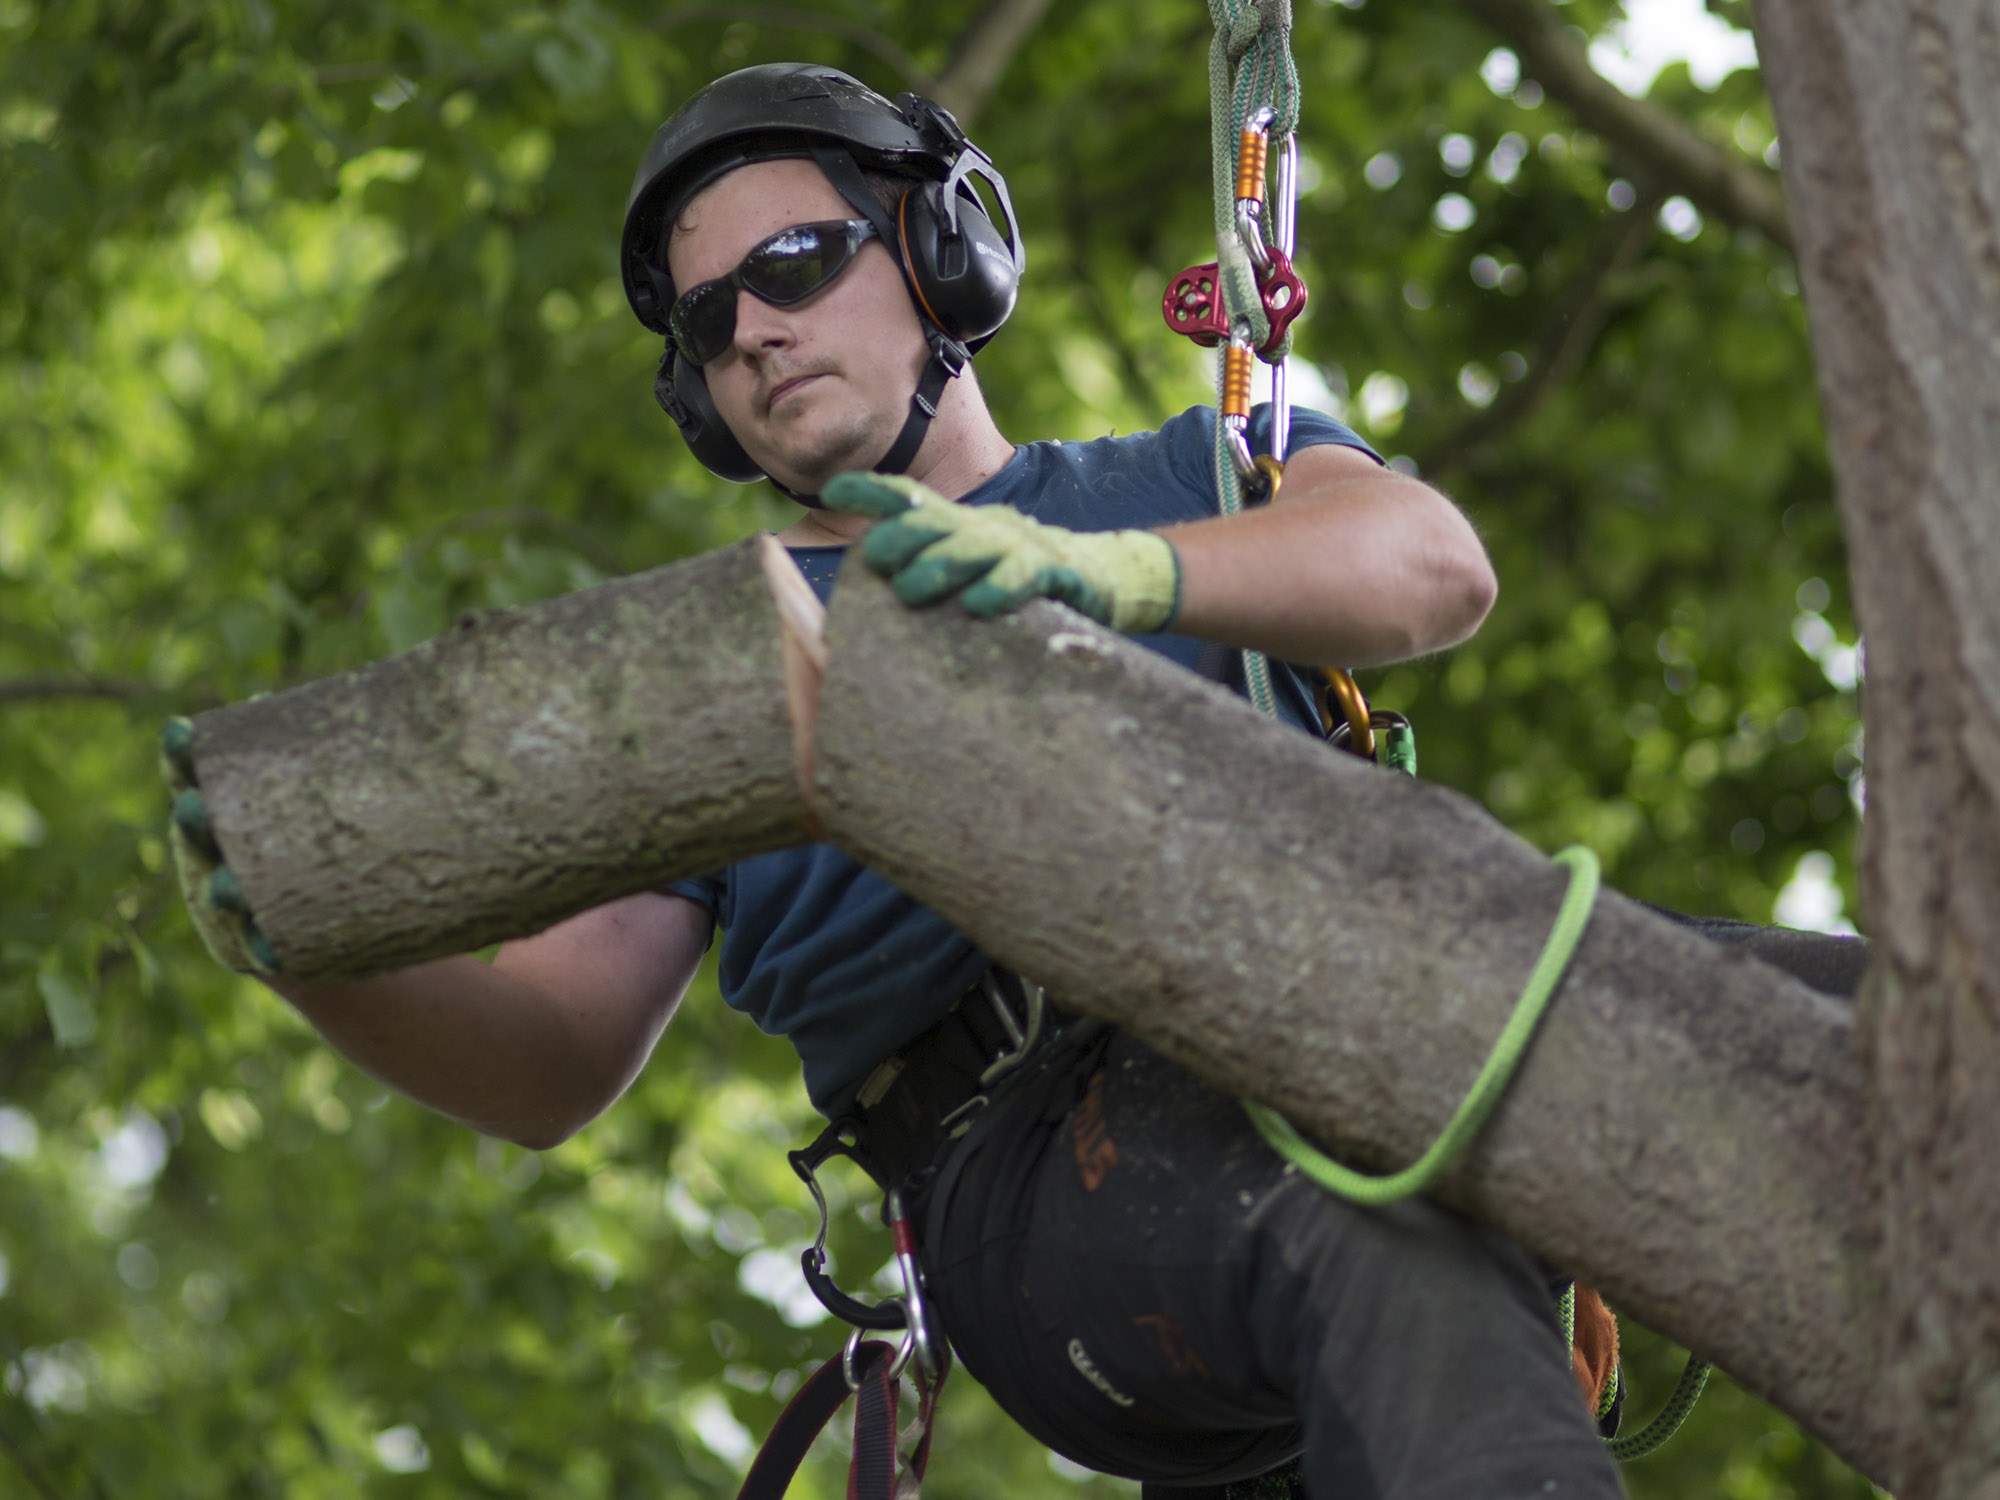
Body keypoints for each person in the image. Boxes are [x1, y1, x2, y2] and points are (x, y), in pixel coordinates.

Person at [239, 61, 1745, 1500]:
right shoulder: (702, 679)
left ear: (938, 248)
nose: (753, 329)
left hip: (1364, 999)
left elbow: (1430, 566)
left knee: (1816, 1029)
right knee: (1380, 1239)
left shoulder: (1206, 470)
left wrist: (1115, 578)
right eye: (708, 321)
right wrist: (308, 941)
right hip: (1048, 1172)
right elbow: (550, 1055)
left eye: (797, 263)